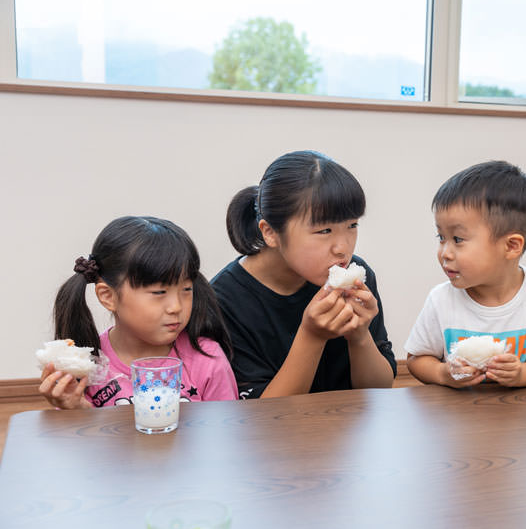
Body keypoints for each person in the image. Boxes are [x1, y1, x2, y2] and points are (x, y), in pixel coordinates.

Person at [211, 150, 396, 399]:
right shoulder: (224, 301)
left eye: (352, 225)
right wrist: (312, 336)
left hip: (349, 429)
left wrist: (360, 335)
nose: (342, 248)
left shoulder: (359, 278)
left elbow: (380, 391)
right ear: (270, 233)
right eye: (324, 230)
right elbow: (262, 415)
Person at [405, 161, 526, 388]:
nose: (444, 253)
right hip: (457, 414)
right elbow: (417, 359)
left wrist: (522, 374)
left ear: (511, 246)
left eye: (457, 239)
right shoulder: (441, 300)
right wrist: (442, 373)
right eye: (441, 238)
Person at [39, 216, 238, 408]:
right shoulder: (88, 364)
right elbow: (80, 439)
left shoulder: (208, 359)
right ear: (108, 296)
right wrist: (78, 411)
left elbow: (228, 432)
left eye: (186, 289)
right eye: (159, 292)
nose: (176, 306)